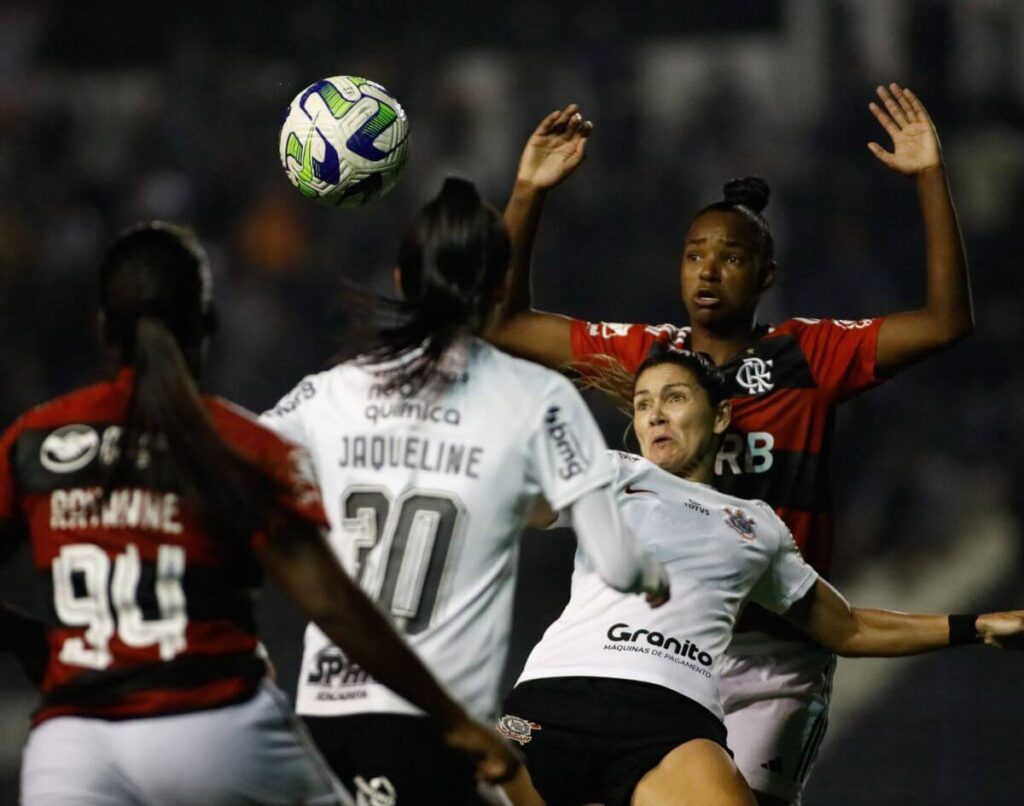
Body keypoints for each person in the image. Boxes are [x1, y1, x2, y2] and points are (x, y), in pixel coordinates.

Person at [488, 85, 973, 803]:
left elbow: (944, 321)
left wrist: (931, 176)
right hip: (659, 651)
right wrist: (529, 191)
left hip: (777, 649)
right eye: (694, 256)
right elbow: (501, 322)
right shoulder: (650, 357)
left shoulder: (810, 353)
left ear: (765, 275)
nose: (708, 271)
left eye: (730, 257)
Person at [0, 222, 517, 805]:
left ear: (103, 331)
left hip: (73, 746)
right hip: (212, 726)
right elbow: (330, 604)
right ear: (208, 325)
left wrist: (33, 643)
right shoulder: (240, 444)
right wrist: (452, 717)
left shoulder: (33, 440)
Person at [261, 176, 669, 805]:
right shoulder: (539, 399)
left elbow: (236, 465)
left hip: (320, 717)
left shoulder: (330, 390)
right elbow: (615, 562)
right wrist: (651, 576)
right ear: (504, 286)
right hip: (432, 727)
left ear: (402, 279)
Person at [499, 347, 1023, 806]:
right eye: (642, 404)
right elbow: (522, 497)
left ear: (721, 414)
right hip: (559, 693)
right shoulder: (611, 471)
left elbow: (847, 628)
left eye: (675, 398)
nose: (655, 414)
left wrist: (975, 626)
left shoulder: (756, 525)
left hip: (671, 719)